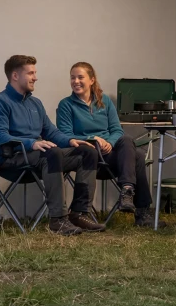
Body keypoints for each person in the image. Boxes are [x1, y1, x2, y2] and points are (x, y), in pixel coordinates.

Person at [0, 55, 105, 235]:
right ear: (15, 76)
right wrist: (31, 143)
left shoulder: (35, 103)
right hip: (12, 160)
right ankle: (58, 220)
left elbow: (50, 132)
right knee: (53, 153)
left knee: (87, 152)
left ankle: (79, 214)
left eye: (35, 73)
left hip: (40, 158)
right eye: (31, 73)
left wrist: (70, 141)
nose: (35, 77)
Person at [56, 61, 165, 228]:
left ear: (92, 80)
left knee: (127, 141)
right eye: (72, 78)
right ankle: (140, 210)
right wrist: (93, 138)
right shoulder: (66, 105)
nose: (75, 81)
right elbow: (65, 135)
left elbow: (116, 129)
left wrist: (109, 142)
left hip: (111, 154)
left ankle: (127, 190)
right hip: (88, 156)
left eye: (80, 77)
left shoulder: (104, 101)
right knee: (138, 156)